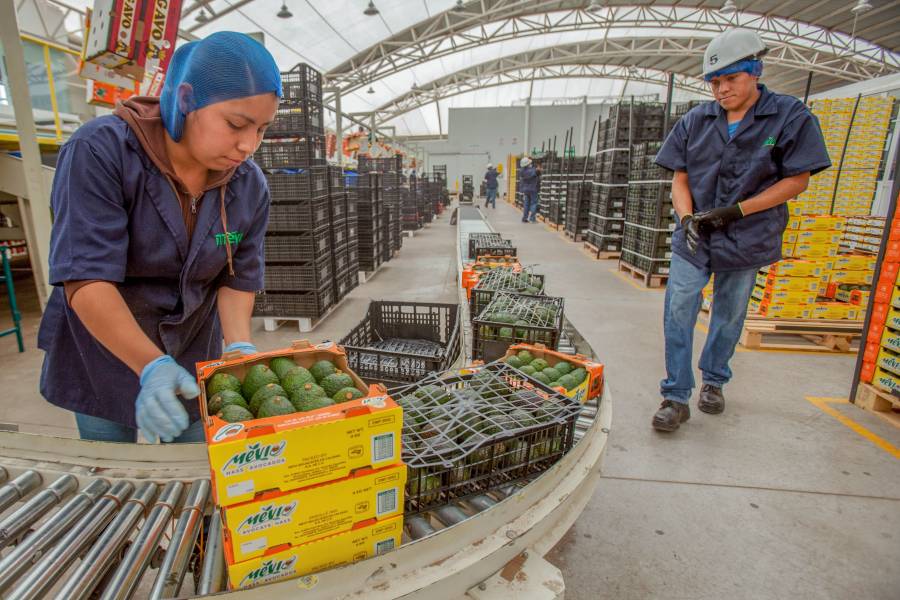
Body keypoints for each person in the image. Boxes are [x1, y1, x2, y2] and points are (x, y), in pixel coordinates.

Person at [37, 32, 283, 443]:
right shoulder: (100, 151)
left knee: (193, 473)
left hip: (191, 351)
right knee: (114, 472)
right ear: (186, 100)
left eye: (262, 129)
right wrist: (150, 365)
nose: (248, 145)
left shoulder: (248, 184)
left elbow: (237, 274)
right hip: (102, 347)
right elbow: (86, 276)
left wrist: (239, 343)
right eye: (236, 124)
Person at [651, 29, 830, 432]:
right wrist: (685, 219)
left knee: (729, 313)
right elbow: (680, 177)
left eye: (730, 79)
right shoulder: (696, 120)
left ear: (754, 71)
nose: (721, 89)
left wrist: (738, 210)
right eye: (715, 82)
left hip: (747, 235)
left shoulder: (789, 116)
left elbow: (797, 180)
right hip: (695, 236)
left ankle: (714, 380)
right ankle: (675, 395)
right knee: (678, 308)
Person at [519, 157, 541, 223]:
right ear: (528, 164)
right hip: (533, 189)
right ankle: (532, 219)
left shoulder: (522, 171)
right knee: (533, 203)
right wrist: (538, 169)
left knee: (526, 204)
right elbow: (537, 172)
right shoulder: (532, 171)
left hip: (526, 189)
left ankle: (524, 218)